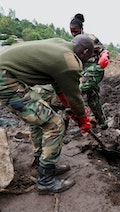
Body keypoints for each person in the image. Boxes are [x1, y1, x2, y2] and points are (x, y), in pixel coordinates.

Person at [0, 34, 93, 194]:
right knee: (54, 124)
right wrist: (83, 119)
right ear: (84, 52)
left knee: (41, 118)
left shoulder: (61, 45)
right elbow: (74, 96)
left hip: (9, 75)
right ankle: (46, 180)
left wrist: (69, 108)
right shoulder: (70, 61)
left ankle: (40, 161)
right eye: (88, 57)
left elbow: (59, 86)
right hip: (6, 80)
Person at [70, 13, 109, 130]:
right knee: (93, 98)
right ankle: (103, 125)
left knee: (76, 92)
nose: (73, 33)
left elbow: (104, 50)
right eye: (71, 31)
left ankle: (83, 117)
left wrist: (104, 56)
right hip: (84, 71)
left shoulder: (89, 38)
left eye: (75, 31)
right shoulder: (73, 42)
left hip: (94, 71)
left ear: (81, 29)